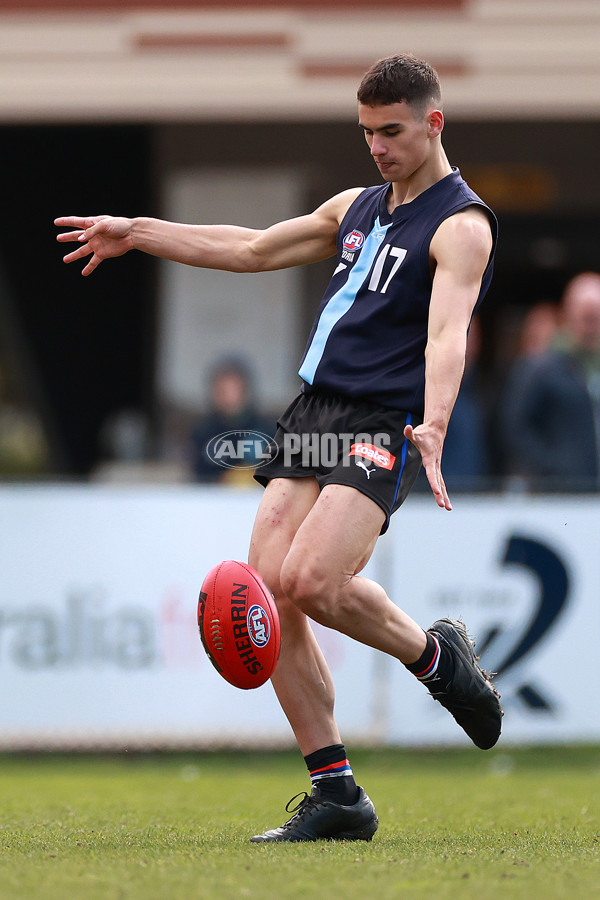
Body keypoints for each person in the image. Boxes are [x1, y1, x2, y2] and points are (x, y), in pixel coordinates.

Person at [55, 53, 502, 843]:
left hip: (383, 418)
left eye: (391, 132)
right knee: (269, 585)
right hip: (314, 409)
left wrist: (435, 418)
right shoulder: (356, 207)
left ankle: (435, 658)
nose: (377, 147)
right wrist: (140, 232)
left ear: (433, 123)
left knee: (313, 580)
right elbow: (253, 247)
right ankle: (337, 794)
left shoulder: (462, 226)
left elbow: (446, 335)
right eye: (366, 133)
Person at [501, 273, 600, 491]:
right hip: (561, 494)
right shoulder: (540, 368)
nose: (591, 325)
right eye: (586, 316)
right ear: (567, 314)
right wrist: (554, 471)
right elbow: (515, 427)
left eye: (595, 316)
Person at [190, 356, 274, 483]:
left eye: (235, 390)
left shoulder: (266, 431)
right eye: (223, 391)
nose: (229, 397)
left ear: (245, 391)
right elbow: (196, 477)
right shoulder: (203, 434)